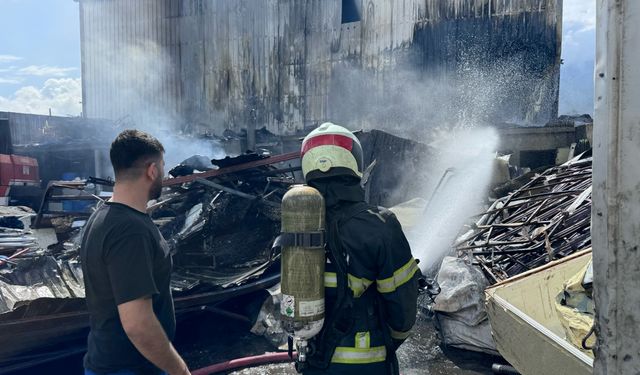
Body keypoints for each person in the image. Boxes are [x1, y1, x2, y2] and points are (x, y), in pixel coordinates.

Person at [301, 122, 420, 375]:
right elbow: (403, 307)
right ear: (354, 163)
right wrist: (393, 340)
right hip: (368, 363)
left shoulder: (298, 223)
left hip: (314, 361)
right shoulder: (379, 224)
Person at [80, 129, 190, 375]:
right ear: (152, 170)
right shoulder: (130, 231)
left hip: (112, 364)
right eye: (162, 166)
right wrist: (180, 371)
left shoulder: (102, 217)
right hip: (130, 368)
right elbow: (138, 324)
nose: (163, 173)